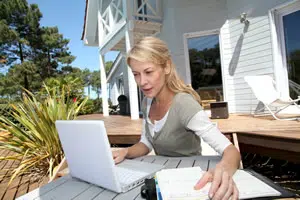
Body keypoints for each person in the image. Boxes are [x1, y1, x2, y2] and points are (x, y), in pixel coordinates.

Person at [112, 36, 241, 200]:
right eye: (136, 74)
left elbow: (231, 151)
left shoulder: (184, 104)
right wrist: (125, 151)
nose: (142, 82)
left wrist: (224, 169)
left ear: (166, 67)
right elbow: (146, 143)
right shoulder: (147, 101)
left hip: (189, 181)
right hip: (161, 176)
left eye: (149, 72)